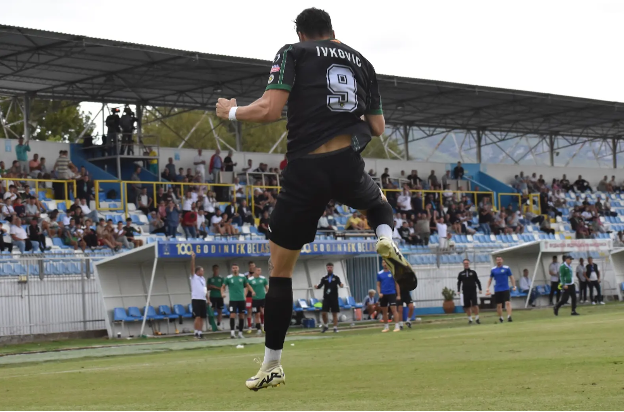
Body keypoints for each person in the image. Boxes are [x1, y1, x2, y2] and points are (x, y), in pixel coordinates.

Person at [216, 8, 415, 391]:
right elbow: (377, 127)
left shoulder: (294, 52)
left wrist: (232, 112)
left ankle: (272, 364)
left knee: (280, 270)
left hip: (306, 166)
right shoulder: (362, 62)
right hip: (346, 162)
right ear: (332, 32)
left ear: (301, 33)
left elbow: (271, 110)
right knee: (378, 205)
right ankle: (385, 237)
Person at [222, 263, 255, 339]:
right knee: (232, 315)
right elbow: (223, 287)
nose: (235, 269)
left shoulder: (242, 277)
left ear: (238, 268)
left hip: (241, 299)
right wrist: (222, 293)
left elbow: (247, 285)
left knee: (241, 315)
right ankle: (232, 333)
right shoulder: (228, 278)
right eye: (233, 268)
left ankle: (240, 333)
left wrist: (252, 291)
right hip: (233, 300)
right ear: (232, 269)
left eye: (236, 268)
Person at [314, 263, 344, 334]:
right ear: (326, 268)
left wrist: (341, 285)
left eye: (330, 267)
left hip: (334, 298)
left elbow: (340, 284)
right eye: (328, 267)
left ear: (332, 268)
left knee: (334, 313)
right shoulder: (324, 278)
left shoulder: (336, 278)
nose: (329, 269)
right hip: (326, 298)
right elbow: (320, 286)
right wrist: (316, 287)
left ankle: (335, 327)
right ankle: (326, 326)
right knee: (324, 313)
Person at [486, 256, 517, 323]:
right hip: (497, 289)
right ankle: (501, 317)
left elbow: (511, 277)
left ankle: (509, 316)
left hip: (505, 288)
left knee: (507, 302)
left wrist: (514, 286)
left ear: (502, 260)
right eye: (497, 260)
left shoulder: (506, 268)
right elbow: (490, 279)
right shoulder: (493, 269)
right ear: (496, 261)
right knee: (499, 305)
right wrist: (487, 288)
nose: (499, 261)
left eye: (500, 260)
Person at [377, 260, 401, 333]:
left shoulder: (393, 272)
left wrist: (398, 295)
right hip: (383, 294)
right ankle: (386, 327)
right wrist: (379, 293)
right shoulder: (379, 273)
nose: (384, 264)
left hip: (392, 293)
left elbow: (397, 284)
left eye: (385, 262)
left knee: (394, 310)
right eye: (383, 262)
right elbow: (378, 285)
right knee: (384, 311)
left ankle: (397, 326)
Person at [457, 259, 482, 324]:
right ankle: (470, 319)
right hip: (465, 291)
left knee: (475, 305)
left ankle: (477, 318)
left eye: (467, 263)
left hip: (473, 291)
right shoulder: (461, 273)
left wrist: (480, 289)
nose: (466, 264)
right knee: (467, 306)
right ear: (463, 264)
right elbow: (459, 282)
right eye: (465, 263)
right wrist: (458, 290)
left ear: (469, 264)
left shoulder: (473, 272)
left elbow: (477, 281)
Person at [190, 252, 208, 339]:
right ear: (198, 271)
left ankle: (200, 332)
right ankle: (196, 332)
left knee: (202, 317)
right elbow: (192, 268)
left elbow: (205, 289)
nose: (203, 272)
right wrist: (193, 259)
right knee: (197, 316)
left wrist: (208, 298)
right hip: (196, 299)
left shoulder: (203, 279)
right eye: (202, 270)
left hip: (203, 299)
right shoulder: (194, 277)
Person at [249, 268, 269, 336]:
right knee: (257, 314)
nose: (259, 271)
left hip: (263, 298)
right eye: (258, 270)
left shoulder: (263, 278)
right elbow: (247, 287)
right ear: (254, 271)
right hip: (255, 299)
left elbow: (266, 287)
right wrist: (251, 292)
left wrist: (269, 294)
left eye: (260, 270)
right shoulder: (250, 279)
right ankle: (258, 329)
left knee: (264, 312)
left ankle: (265, 327)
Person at [207, 265, 225, 331]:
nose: (216, 270)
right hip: (212, 296)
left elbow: (223, 288)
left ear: (218, 270)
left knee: (219, 311)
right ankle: (211, 325)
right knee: (211, 311)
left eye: (217, 269)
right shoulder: (210, 278)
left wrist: (215, 287)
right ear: (213, 270)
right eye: (214, 269)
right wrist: (210, 287)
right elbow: (207, 288)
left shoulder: (221, 278)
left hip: (219, 297)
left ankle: (219, 325)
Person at [245, 261, 258, 331]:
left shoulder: (257, 275)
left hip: (256, 296)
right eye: (250, 265)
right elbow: (244, 285)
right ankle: (249, 326)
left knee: (258, 311)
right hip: (248, 296)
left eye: (253, 265)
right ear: (249, 266)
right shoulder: (246, 275)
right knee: (249, 311)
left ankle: (259, 325)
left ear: (254, 266)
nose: (252, 267)